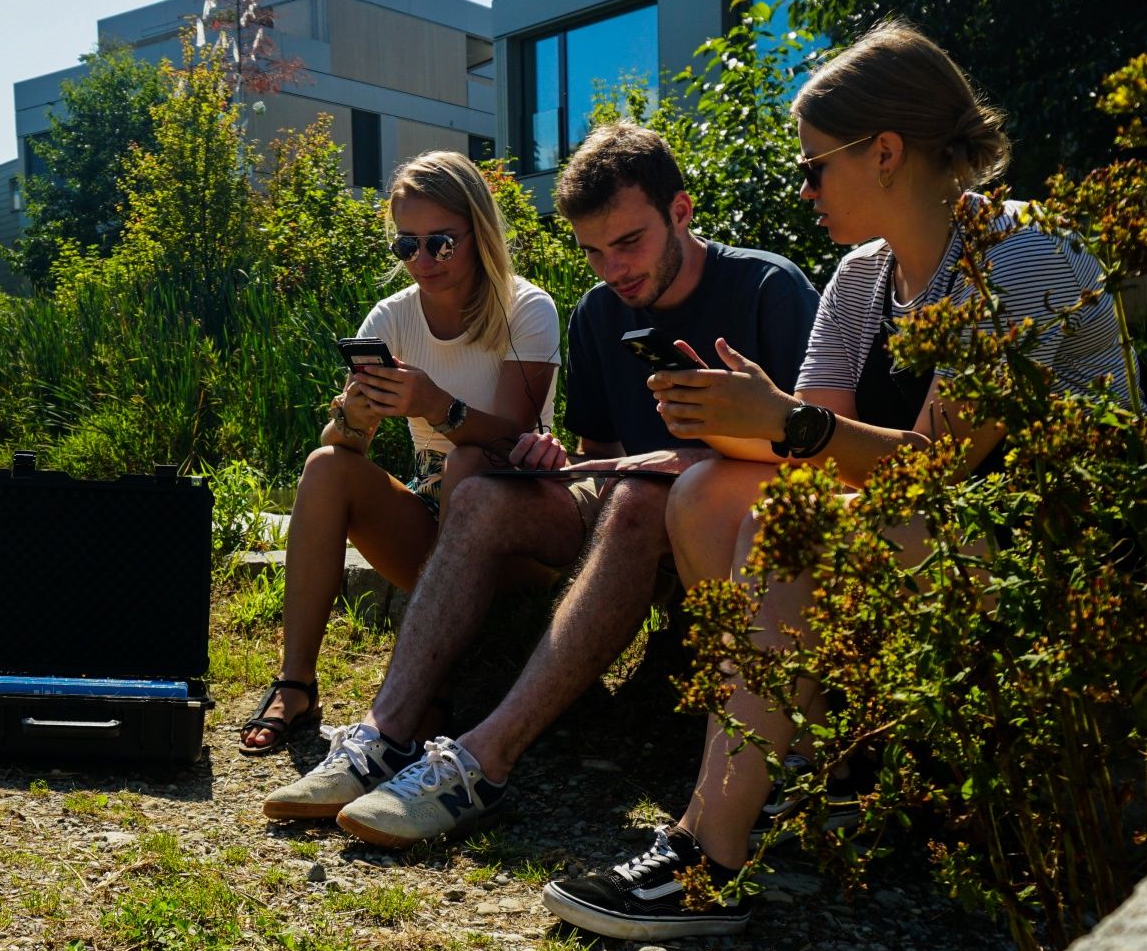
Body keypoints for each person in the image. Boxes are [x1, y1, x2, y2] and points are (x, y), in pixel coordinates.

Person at [541, 19, 1139, 941]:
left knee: (796, 524)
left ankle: (710, 853)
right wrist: (730, 417)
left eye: (815, 166)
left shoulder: (1019, 253)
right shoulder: (863, 276)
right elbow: (815, 450)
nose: (805, 189)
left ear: (886, 153)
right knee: (705, 495)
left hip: (1054, 547)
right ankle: (809, 773)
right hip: (942, 530)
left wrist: (785, 422)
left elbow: (934, 466)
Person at [263, 121, 819, 842]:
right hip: (624, 501)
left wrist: (684, 464)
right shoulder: (599, 313)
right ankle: (385, 733)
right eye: (593, 251)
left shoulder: (768, 287)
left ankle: (481, 761)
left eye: (629, 242)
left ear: (681, 211)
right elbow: (600, 452)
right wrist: (553, 463)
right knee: (484, 492)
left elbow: (819, 449)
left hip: (716, 508)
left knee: (633, 497)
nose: (613, 268)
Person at [239, 150, 560, 755]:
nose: (422, 261)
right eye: (406, 245)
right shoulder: (391, 317)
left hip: (513, 529)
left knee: (467, 462)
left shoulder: (526, 308)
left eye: (441, 243)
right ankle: (296, 683)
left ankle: (431, 688)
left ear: (479, 232)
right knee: (325, 467)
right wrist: (352, 418)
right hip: (431, 522)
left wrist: (437, 405)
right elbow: (345, 447)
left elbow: (514, 440)